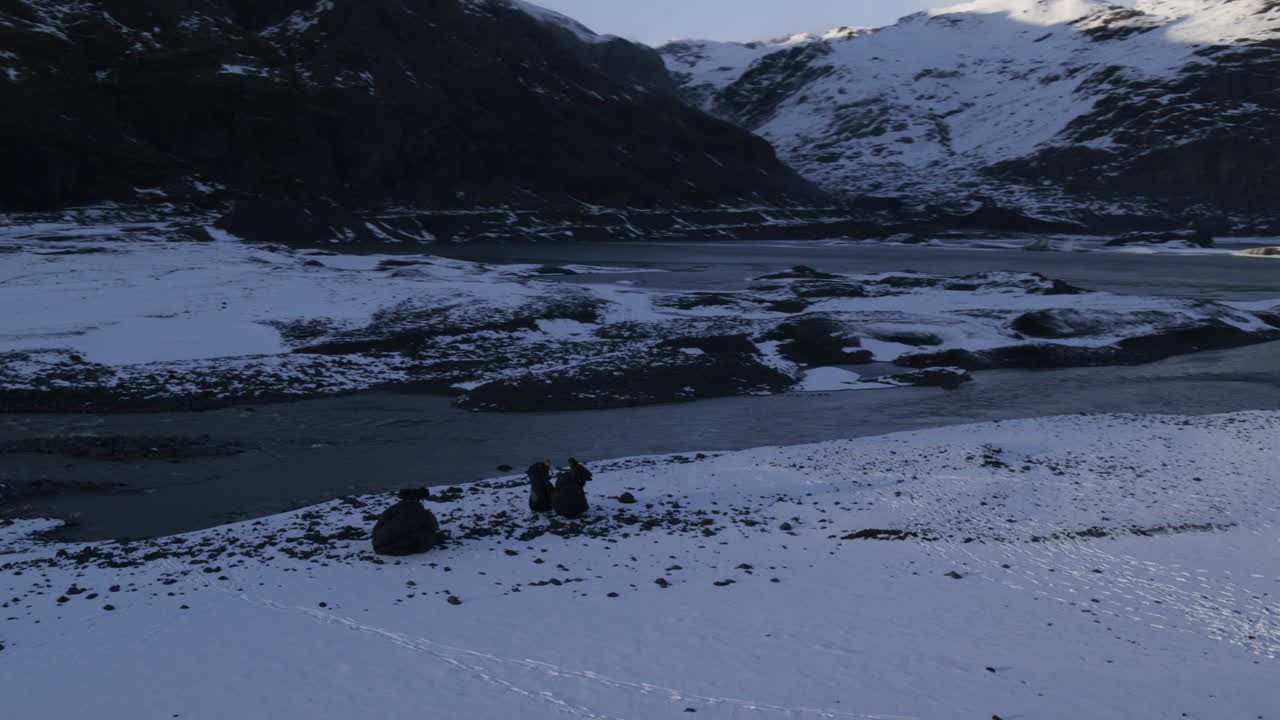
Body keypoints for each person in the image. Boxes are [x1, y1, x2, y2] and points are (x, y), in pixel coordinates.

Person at [371, 488, 442, 556]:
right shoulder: (420, 512)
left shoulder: (393, 509)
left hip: (377, 541)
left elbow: (380, 524)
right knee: (427, 535)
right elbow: (434, 526)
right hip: (389, 546)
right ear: (420, 498)